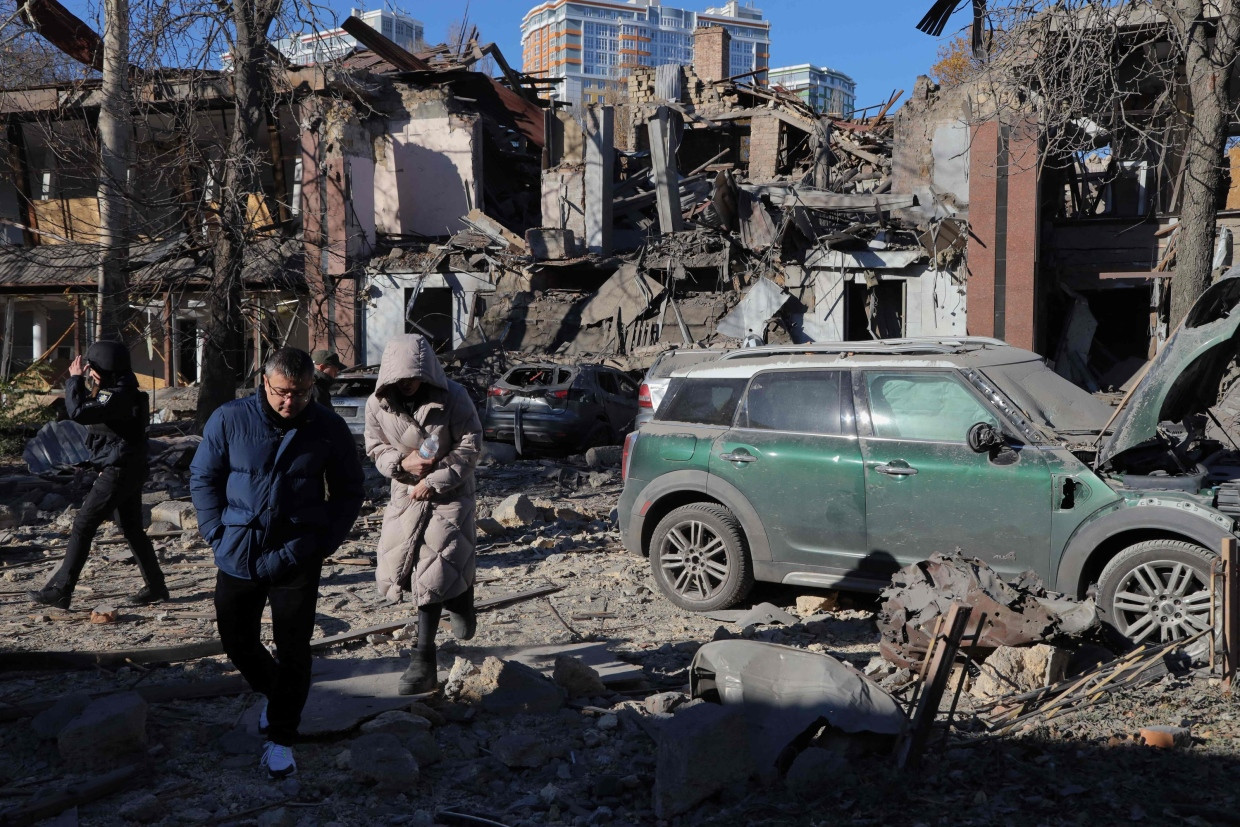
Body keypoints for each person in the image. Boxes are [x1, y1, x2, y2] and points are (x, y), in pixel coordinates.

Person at [190, 347, 363, 779]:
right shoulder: (229, 418)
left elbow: (348, 490)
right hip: (238, 548)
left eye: (302, 393)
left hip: (298, 551)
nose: (291, 402)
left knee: (294, 649)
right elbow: (203, 477)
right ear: (264, 382)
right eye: (283, 392)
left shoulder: (328, 427)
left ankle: (282, 739)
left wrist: (323, 543)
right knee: (237, 639)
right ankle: (277, 695)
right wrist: (215, 532)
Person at [364, 334, 482, 695]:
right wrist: (400, 462)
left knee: (433, 570)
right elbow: (374, 446)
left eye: (415, 377)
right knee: (407, 567)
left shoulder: (454, 397)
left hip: (450, 493)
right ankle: (458, 595)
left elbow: (471, 443)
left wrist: (438, 478)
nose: (409, 384)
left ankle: (424, 659)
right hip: (406, 493)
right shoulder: (377, 404)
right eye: (401, 379)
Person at [28, 341, 168, 610]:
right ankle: (156, 586)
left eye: (93, 368)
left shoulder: (115, 395)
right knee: (131, 529)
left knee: (83, 524)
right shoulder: (121, 390)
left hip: (119, 471)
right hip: (128, 467)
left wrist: (74, 380)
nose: (89, 372)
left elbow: (78, 412)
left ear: (101, 369)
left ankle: (62, 590)